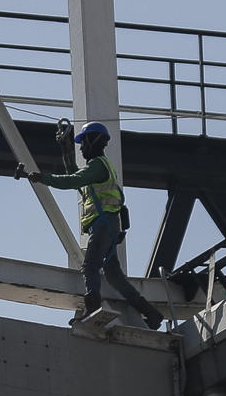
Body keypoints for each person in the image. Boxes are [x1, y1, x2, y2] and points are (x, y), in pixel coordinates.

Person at [19, 120, 165, 329]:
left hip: (103, 224)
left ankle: (93, 309)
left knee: (90, 266)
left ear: (92, 141)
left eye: (82, 143)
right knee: (114, 277)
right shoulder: (99, 168)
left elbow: (70, 181)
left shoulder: (97, 166)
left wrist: (43, 178)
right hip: (108, 225)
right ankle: (151, 313)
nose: (81, 148)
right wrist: (66, 150)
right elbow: (73, 175)